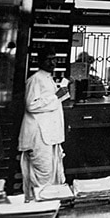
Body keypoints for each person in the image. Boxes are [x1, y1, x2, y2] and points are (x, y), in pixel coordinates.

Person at [18, 47, 68, 200]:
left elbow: (51, 101)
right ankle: (40, 209)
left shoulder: (48, 78)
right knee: (43, 174)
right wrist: (56, 96)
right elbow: (31, 105)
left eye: (54, 59)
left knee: (53, 172)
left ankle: (49, 207)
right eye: (49, 59)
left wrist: (61, 93)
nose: (53, 62)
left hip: (49, 134)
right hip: (39, 136)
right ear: (40, 61)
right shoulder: (35, 79)